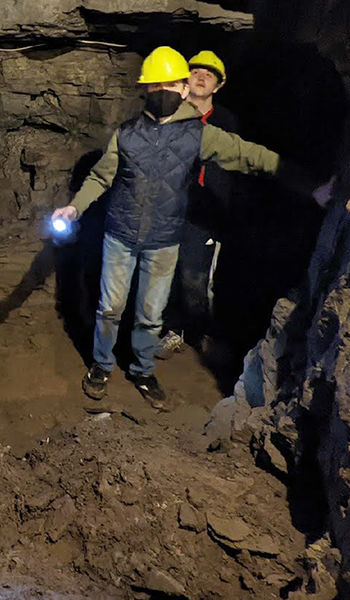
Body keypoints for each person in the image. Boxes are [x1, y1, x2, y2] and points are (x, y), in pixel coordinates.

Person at [52, 46, 309, 410]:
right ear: (145, 89)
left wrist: (305, 182)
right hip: (120, 235)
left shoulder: (198, 135)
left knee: (150, 313)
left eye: (170, 84)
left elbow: (251, 156)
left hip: (163, 240)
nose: (163, 92)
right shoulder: (126, 134)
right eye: (156, 86)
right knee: (110, 308)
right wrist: (75, 207)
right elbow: (100, 176)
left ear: (184, 90)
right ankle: (101, 365)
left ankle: (141, 370)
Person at [157, 51, 240, 359]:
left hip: (204, 216)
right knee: (165, 274)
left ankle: (203, 331)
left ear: (217, 86)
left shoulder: (225, 121)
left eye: (210, 74)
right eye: (196, 71)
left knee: (197, 280)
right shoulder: (166, 115)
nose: (202, 76)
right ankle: (173, 330)